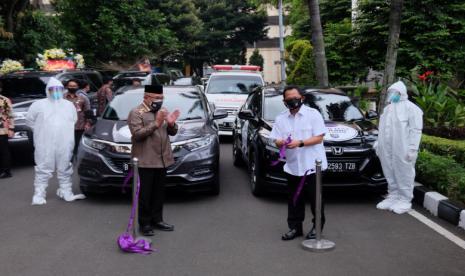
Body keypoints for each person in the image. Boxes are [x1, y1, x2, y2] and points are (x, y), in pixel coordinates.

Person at [270, 85, 328, 241]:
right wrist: (280, 142)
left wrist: (300, 143)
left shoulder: (313, 114)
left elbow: (319, 137)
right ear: (284, 102)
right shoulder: (281, 118)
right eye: (288, 99)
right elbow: (275, 139)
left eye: (295, 97)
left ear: (302, 98)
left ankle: (317, 228)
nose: (292, 101)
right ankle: (295, 227)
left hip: (312, 165)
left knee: (316, 198)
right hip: (293, 166)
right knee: (294, 198)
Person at [128, 85, 180, 236]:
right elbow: (137, 135)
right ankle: (145, 223)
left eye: (162, 98)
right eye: (156, 98)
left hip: (162, 159)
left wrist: (171, 124)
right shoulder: (137, 113)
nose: (160, 101)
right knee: (145, 194)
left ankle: (157, 219)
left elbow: (171, 132)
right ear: (146, 97)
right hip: (146, 160)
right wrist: (156, 123)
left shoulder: (162, 112)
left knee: (158, 193)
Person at [26, 77, 86, 205]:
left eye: (59, 89)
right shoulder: (39, 104)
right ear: (48, 90)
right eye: (53, 89)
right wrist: (41, 131)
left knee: (64, 166)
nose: (56, 92)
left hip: (64, 141)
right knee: (43, 167)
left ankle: (66, 191)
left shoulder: (68, 105)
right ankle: (39, 194)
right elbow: (29, 121)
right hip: (44, 142)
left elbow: (73, 120)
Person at [375, 81, 423, 214]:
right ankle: (393, 196)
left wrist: (413, 148)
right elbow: (382, 129)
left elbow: (416, 130)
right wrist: (379, 144)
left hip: (403, 147)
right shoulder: (388, 109)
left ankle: (405, 199)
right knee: (389, 171)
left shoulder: (412, 108)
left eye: (394, 92)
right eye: (390, 92)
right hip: (387, 147)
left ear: (401, 93)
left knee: (404, 172)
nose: (392, 95)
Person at [64, 79, 91, 156]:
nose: (72, 87)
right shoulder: (62, 98)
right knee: (67, 146)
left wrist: (88, 124)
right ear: (67, 87)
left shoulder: (83, 98)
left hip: (79, 126)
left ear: (78, 87)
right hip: (65, 127)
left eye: (74, 86)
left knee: (77, 147)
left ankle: (75, 162)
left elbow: (88, 112)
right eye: (70, 86)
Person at [0, 92, 14, 178]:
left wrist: (11, 128)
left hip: (2, 130)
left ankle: (6, 171)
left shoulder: (3, 100)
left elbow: (10, 115)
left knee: (3, 151)